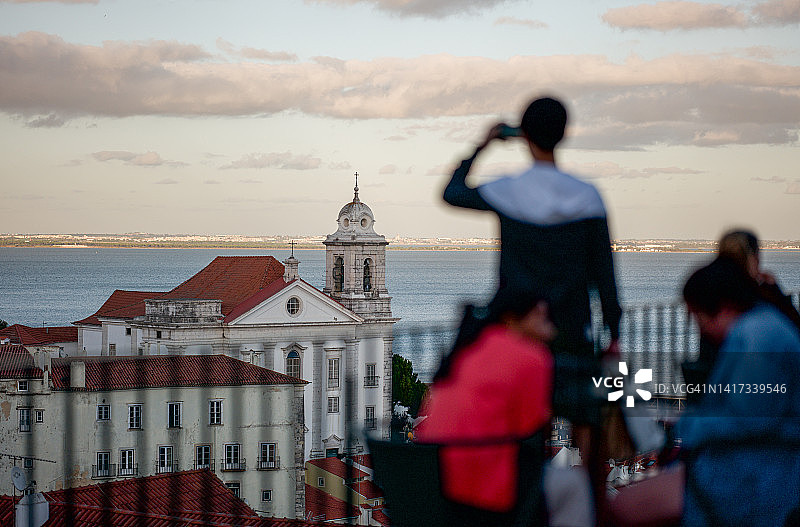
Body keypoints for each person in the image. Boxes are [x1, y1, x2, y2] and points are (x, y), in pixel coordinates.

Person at [442, 96, 622, 516]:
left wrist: (481, 146)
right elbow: (605, 277)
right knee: (588, 438)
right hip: (573, 335)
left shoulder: (509, 190)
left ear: (522, 134)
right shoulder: (588, 197)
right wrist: (615, 334)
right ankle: (590, 513)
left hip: (517, 336)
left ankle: (528, 514)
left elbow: (451, 193)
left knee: (525, 441)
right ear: (564, 133)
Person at [416, 287, 593, 526]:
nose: (544, 313)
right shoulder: (531, 356)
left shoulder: (467, 350)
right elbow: (530, 432)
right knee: (574, 485)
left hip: (439, 482)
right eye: (536, 311)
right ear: (512, 318)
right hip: (486, 489)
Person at [677, 257, 800, 526]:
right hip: (762, 468)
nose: (699, 328)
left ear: (720, 308)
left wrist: (687, 427)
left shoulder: (758, 338)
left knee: (627, 507)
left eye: (697, 317)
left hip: (761, 480)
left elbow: (748, 418)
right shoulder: (762, 327)